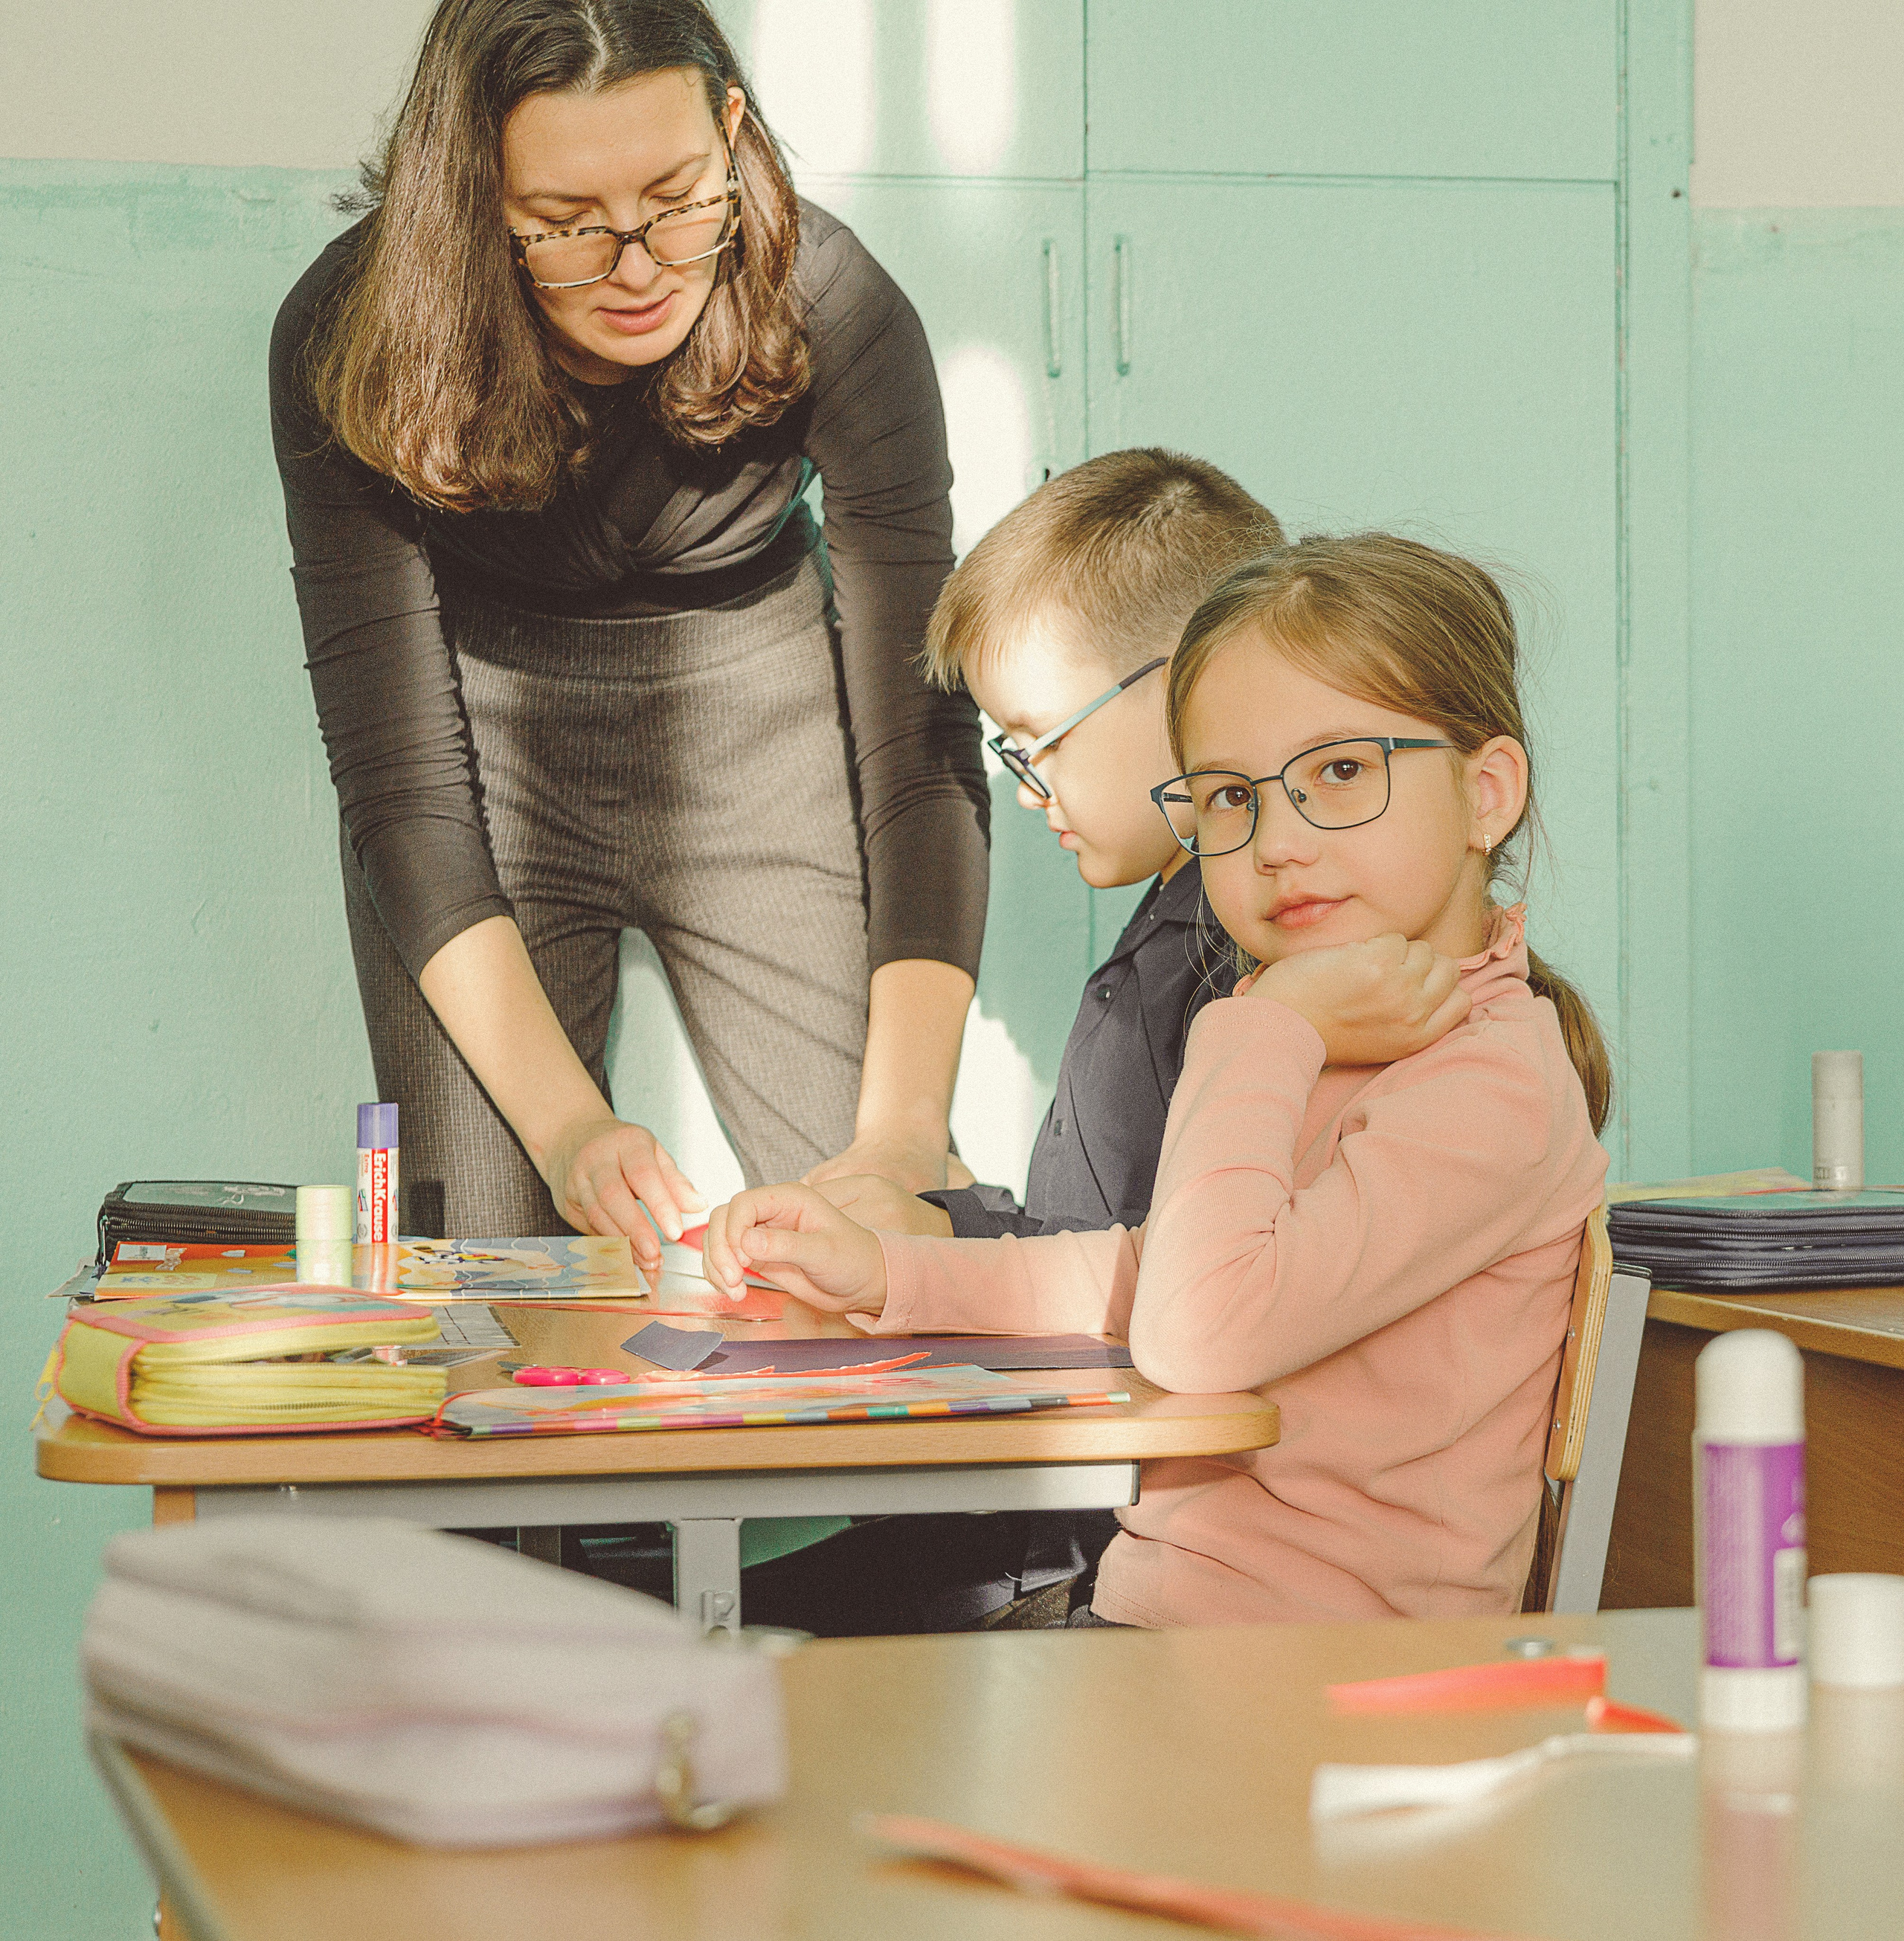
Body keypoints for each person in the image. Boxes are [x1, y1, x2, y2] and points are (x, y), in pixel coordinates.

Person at [700, 533, 1613, 1628]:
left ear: (1486, 793)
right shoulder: (1357, 1041)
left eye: (1339, 771)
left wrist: (1259, 1020)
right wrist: (888, 1275)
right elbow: (1152, 1272)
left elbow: (1200, 1331)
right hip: (1174, 1635)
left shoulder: (1488, 1083)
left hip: (1302, 1681)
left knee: (746, 1687)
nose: (1277, 840)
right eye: (1232, 797)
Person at [269, 0, 988, 1276]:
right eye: (564, 229)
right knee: (481, 1280)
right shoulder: (353, 333)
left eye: (676, 198)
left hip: (761, 700)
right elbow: (401, 787)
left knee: (894, 1225)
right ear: (476, 196)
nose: (638, 266)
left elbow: (922, 746)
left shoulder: (840, 300)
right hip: (474, 731)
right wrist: (569, 1134)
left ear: (732, 130)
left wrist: (901, 1141)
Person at [821, 449, 1284, 1248]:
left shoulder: (1241, 948)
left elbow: (1174, 1271)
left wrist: (951, 1237)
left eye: (1041, 742)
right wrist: (946, 1213)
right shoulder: (1177, 913)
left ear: (1187, 685)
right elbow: (1110, 1225)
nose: (1030, 791)